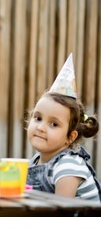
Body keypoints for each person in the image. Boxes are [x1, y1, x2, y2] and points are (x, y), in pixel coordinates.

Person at [26, 56, 101, 202]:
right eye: (38, 118)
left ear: (70, 137)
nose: (41, 128)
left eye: (53, 124)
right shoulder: (36, 160)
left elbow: (61, 216)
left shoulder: (68, 166)